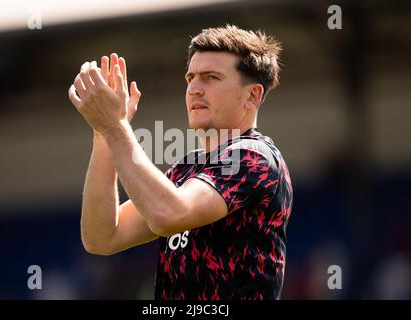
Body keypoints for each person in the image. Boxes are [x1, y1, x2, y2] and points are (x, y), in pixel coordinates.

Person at [68, 25, 293, 300]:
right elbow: (101, 237)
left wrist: (115, 127)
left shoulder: (255, 157)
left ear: (252, 95)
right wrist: (103, 133)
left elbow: (168, 215)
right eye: (191, 78)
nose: (194, 89)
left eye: (211, 77)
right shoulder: (186, 170)